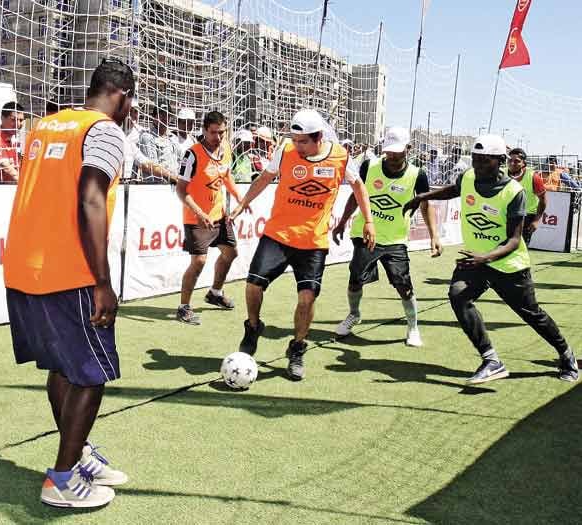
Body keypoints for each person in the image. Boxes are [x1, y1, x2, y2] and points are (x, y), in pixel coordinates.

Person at [3, 59, 134, 508]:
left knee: (62, 368)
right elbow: (90, 197)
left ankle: (75, 456)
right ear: (121, 97)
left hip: (23, 266)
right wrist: (102, 281)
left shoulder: (45, 126)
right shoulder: (104, 132)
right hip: (69, 271)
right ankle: (61, 479)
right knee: (90, 375)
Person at [402, 134, 578, 384]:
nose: (478, 165)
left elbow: (514, 240)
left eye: (484, 161)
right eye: (475, 159)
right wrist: (424, 197)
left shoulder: (513, 192)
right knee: (458, 296)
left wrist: (485, 258)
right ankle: (491, 360)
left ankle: (566, 354)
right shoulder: (469, 177)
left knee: (531, 314)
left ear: (499, 161)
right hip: (475, 260)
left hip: (507, 265)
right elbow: (456, 189)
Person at [228, 109, 374, 381]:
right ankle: (253, 326)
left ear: (319, 137)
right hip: (278, 235)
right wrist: (241, 205)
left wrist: (368, 221)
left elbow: (359, 187)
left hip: (313, 242)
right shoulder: (285, 150)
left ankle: (297, 348)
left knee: (307, 298)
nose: (297, 146)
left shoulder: (341, 157)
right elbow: (263, 179)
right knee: (253, 285)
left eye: (303, 141)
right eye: (294, 140)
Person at [332, 126, 442, 348]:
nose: (391, 156)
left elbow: (425, 203)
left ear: (408, 149)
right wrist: (343, 221)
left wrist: (434, 236)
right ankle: (354, 314)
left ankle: (412, 327)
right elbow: (357, 196)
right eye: (388, 151)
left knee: (404, 286)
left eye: (397, 152)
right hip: (365, 234)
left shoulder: (417, 174)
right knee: (355, 280)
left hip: (395, 240)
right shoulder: (369, 166)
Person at [175, 111, 248, 325]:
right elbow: (181, 190)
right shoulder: (192, 155)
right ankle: (183, 307)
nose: (218, 137)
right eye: (214, 133)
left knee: (231, 253)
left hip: (219, 216)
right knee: (199, 261)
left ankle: (215, 293)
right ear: (204, 130)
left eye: (222, 132)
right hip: (196, 218)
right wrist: (200, 213)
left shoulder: (225, 150)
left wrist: (239, 198)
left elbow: (226, 177)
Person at [506, 148, 547, 244]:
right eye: (510, 160)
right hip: (504, 215)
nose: (512, 163)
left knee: (519, 247)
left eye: (517, 161)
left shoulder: (533, 177)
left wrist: (536, 220)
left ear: (523, 163)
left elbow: (543, 199)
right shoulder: (501, 174)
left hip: (526, 217)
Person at [137, 101, 179, 183]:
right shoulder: (147, 137)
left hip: (174, 186)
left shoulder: (173, 138)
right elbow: (152, 166)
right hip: (156, 187)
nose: (165, 117)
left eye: (167, 115)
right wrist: (173, 177)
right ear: (154, 116)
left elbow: (179, 161)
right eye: (161, 114)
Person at [0, 101, 25, 182]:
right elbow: (6, 168)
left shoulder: (15, 141)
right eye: (13, 120)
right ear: (2, 118)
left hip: (12, 188)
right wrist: (23, 183)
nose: (18, 124)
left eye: (21, 120)